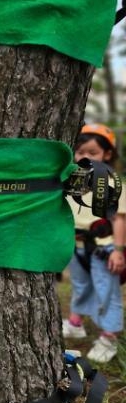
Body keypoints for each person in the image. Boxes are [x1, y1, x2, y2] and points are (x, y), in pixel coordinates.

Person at [62, 123, 126, 363]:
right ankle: (76, 322)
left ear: (107, 154)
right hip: (77, 246)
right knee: (81, 285)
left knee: (106, 290)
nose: (84, 157)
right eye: (80, 152)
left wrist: (118, 251)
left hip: (103, 248)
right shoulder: (74, 181)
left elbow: (119, 219)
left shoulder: (111, 183)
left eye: (92, 153)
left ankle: (109, 336)